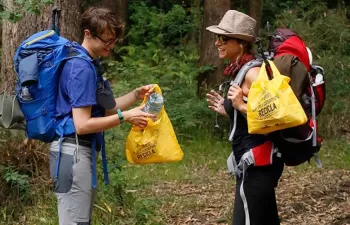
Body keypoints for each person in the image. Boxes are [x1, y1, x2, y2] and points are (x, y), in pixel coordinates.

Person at [48, 6, 157, 225]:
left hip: (76, 151)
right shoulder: (81, 68)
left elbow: (109, 108)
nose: (111, 46)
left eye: (114, 40)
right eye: (106, 41)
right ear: (88, 33)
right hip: (73, 152)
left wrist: (136, 95)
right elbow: (82, 124)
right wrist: (126, 117)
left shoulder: (90, 64)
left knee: (79, 220)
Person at [205, 10, 284, 225]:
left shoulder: (253, 72)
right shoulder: (240, 70)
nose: (217, 43)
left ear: (240, 43)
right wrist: (230, 110)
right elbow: (251, 112)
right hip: (251, 163)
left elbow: (272, 118)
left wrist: (239, 105)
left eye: (223, 38)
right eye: (216, 38)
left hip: (258, 164)